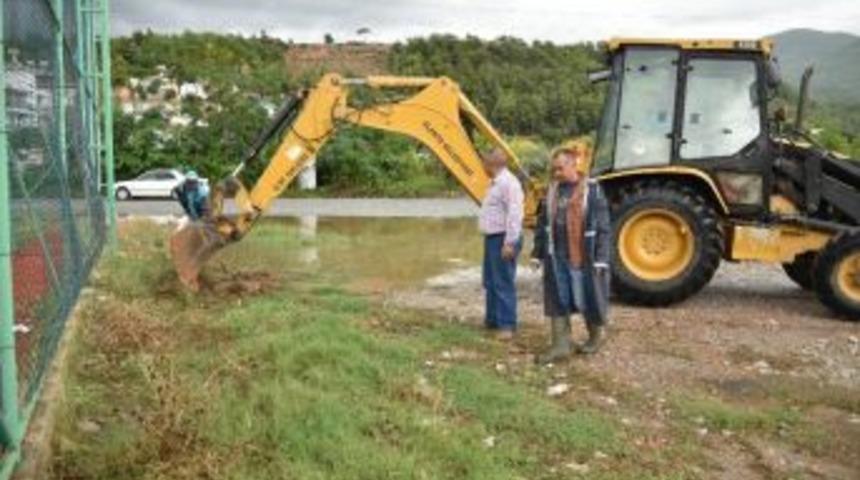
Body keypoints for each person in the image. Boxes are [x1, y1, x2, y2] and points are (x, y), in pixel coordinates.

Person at [532, 143, 611, 363]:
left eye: (560, 168)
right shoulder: (552, 191)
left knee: (588, 296)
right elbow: (542, 224)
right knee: (557, 298)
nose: (556, 173)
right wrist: (537, 253)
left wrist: (602, 259)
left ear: (574, 164)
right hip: (556, 257)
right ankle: (561, 345)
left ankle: (596, 337)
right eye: (554, 169)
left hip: (584, 258)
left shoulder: (592, 190)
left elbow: (604, 227)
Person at [478, 148, 525, 340]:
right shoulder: (495, 183)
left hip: (503, 238)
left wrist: (510, 243)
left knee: (503, 281)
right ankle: (493, 320)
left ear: (492, 164)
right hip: (492, 238)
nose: (482, 166)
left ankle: (507, 326)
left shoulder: (508, 184)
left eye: (484, 163)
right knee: (490, 281)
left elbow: (515, 214)